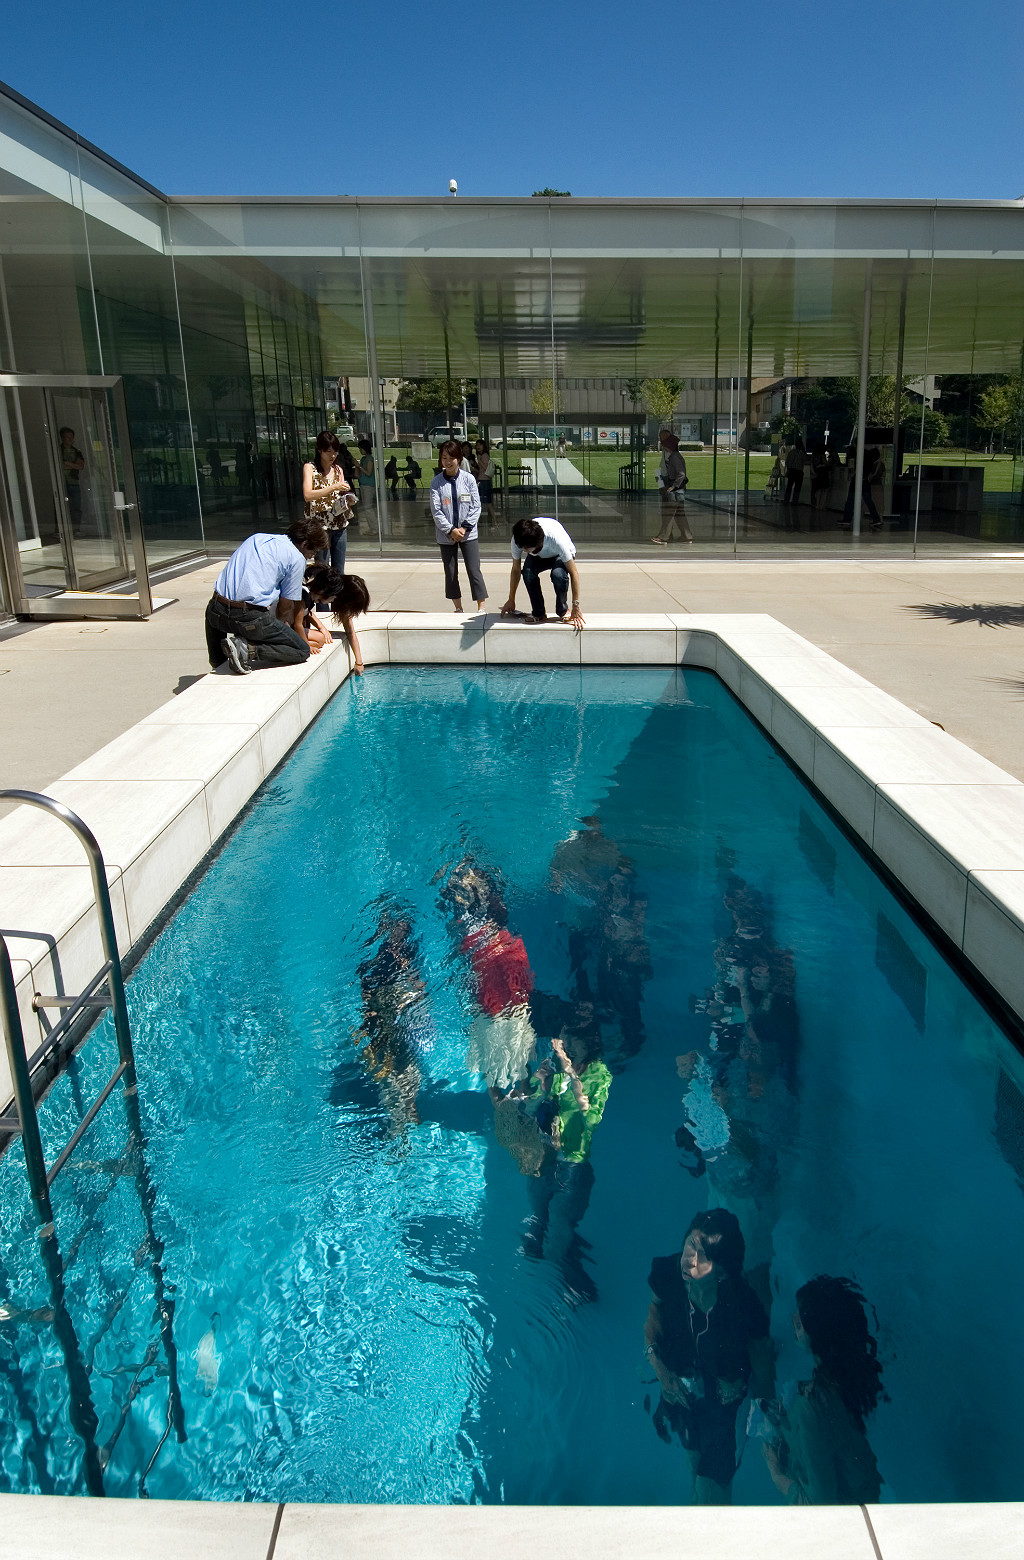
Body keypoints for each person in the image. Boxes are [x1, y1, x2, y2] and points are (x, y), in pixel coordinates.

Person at [645, 1209, 772, 1505]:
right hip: (680, 1387)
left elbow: (760, 1353)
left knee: (714, 1489)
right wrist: (658, 1366)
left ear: (722, 1268)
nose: (690, 1260)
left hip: (724, 1406)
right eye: (690, 1244)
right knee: (693, 1462)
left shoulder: (741, 1304)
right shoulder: (667, 1272)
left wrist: (762, 1404)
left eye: (703, 1256)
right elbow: (654, 1311)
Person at [761, 1276, 883, 1504]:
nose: (793, 1318)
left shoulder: (811, 1406)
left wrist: (776, 1473)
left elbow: (819, 1505)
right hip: (864, 1493)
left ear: (819, 1337)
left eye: (800, 1322)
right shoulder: (851, 1377)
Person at [523, 1024, 611, 1303]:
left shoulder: (600, 1075)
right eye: (563, 1042)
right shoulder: (551, 1066)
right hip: (543, 1158)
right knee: (539, 1215)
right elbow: (528, 1111)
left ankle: (572, 1278)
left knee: (558, 1236)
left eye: (572, 1043)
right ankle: (556, 1251)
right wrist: (541, 1090)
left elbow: (590, 1119)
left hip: (573, 1167)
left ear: (590, 1046)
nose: (566, 1048)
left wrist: (570, 1073)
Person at [204, 516, 328, 674]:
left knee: (215, 612)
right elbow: (285, 607)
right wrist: (281, 630)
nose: (311, 556)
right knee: (301, 650)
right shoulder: (297, 559)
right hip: (248, 617)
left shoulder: (256, 538)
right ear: (304, 544)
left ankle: (217, 661)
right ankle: (247, 650)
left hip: (215, 612)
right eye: (313, 551)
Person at [429, 438, 487, 614]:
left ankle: (481, 607)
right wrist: (451, 530)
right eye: (444, 458)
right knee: (451, 572)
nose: (447, 462)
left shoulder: (469, 479)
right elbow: (436, 510)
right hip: (446, 535)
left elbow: (476, 506)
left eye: (451, 458)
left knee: (473, 569)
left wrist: (464, 528)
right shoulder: (436, 482)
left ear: (459, 459)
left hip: (468, 534)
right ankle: (458, 607)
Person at [501, 517, 585, 628]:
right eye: (525, 550)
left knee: (558, 575)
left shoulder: (556, 539)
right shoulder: (518, 539)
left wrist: (576, 606)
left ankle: (563, 610)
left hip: (558, 555)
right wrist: (511, 599)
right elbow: (516, 570)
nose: (525, 551)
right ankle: (539, 612)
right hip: (538, 557)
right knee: (527, 572)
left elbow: (574, 572)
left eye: (534, 550)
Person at [300, 564, 370, 673]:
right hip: (291, 622)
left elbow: (350, 631)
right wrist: (320, 629)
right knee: (319, 638)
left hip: (297, 619)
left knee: (320, 640)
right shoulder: (327, 588)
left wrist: (359, 661)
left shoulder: (333, 593)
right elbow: (302, 611)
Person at [303, 431, 351, 573]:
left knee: (339, 570)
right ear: (320, 450)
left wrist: (347, 499)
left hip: (339, 523)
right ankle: (322, 594)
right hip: (320, 526)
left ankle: (338, 595)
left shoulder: (338, 469)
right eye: (328, 451)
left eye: (335, 451)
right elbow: (308, 495)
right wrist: (333, 487)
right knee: (322, 568)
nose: (332, 455)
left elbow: (341, 494)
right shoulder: (310, 468)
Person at [651, 429, 693, 545]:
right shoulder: (674, 456)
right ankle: (686, 535)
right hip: (677, 490)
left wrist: (673, 487)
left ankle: (664, 537)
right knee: (679, 513)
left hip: (675, 490)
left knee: (668, 513)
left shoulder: (674, 457)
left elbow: (681, 474)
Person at [842, 442, 883, 529]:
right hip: (865, 480)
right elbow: (876, 464)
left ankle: (847, 519)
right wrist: (869, 477)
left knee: (850, 500)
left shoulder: (856, 455)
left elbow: (852, 469)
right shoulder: (869, 454)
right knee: (868, 500)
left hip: (856, 481)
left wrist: (852, 474)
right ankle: (876, 519)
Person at [59, 426, 85, 534]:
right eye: (67, 437)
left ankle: (76, 529)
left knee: (76, 507)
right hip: (61, 482)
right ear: (62, 438)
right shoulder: (58, 451)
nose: (69, 440)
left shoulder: (76, 451)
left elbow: (81, 466)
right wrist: (73, 465)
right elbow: (60, 466)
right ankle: (60, 531)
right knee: (61, 507)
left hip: (74, 482)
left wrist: (69, 464)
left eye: (71, 437)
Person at [473, 439, 498, 525]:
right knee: (482, 501)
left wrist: (479, 460)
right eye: (477, 445)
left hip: (484, 481)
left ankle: (494, 520)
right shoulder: (480, 455)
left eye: (480, 445)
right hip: (481, 479)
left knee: (487, 502)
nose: (478, 446)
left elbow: (485, 468)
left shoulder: (484, 456)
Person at [783, 435, 806, 512]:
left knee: (789, 486)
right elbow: (805, 460)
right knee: (797, 487)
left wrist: (789, 469)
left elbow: (787, 462)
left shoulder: (791, 452)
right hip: (799, 472)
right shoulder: (802, 454)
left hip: (792, 471)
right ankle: (794, 501)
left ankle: (786, 500)